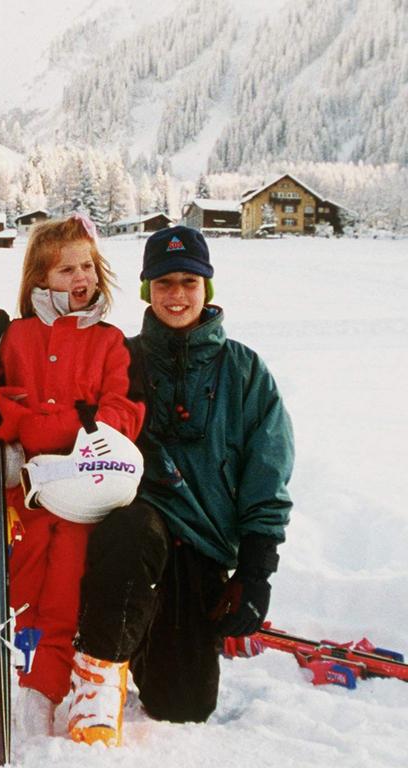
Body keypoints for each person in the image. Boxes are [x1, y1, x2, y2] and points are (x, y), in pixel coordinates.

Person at [65, 225, 295, 746]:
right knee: (132, 526)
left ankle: (151, 640)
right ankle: (98, 672)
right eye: (163, 282)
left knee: (183, 704)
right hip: (127, 541)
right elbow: (57, 400)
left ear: (206, 288)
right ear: (148, 289)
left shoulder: (245, 370)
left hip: (202, 548)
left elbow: (268, 470)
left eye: (188, 281)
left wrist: (256, 572)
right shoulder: (119, 357)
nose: (176, 294)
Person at [0, 215, 145, 740]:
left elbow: (122, 415)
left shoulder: (112, 342)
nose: (80, 277)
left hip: (81, 486)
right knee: (20, 586)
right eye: (66, 269)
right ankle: (22, 677)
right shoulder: (14, 339)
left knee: (67, 587)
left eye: (87, 266)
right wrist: (54, 420)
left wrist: (47, 429)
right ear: (40, 277)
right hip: (21, 492)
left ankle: (48, 686)